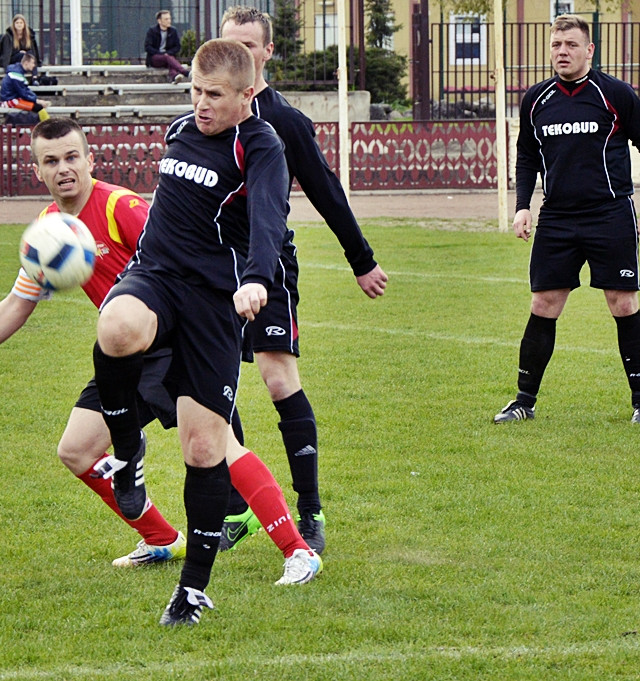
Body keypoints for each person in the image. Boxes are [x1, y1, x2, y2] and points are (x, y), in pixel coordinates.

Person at [0, 118, 320, 585]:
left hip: (176, 341)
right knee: (76, 450)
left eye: (72, 157)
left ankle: (299, 549)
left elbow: (181, 261)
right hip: (124, 356)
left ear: (91, 160)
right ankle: (162, 538)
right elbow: (15, 305)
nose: (64, 168)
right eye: (52, 161)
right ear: (38, 171)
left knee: (217, 448)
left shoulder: (120, 208)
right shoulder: (49, 232)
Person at [90, 38, 314, 626]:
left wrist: (258, 279)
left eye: (214, 95)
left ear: (246, 96)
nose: (201, 104)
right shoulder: (179, 131)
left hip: (215, 305)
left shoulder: (261, 144)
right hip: (157, 276)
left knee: (204, 449)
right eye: (195, 90)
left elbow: (270, 219)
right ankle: (128, 450)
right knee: (116, 326)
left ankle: (191, 592)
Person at [218, 6, 389, 554]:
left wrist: (360, 258)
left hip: (266, 268)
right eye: (229, 44)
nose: (239, 53)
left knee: (275, 378)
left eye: (249, 45)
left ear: (267, 52)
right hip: (209, 268)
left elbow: (325, 189)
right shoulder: (208, 113)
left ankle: (310, 510)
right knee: (206, 383)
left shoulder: (283, 121)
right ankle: (236, 510)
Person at [494, 14, 640, 426]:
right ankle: (523, 402)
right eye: (556, 45)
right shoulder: (536, 99)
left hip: (610, 214)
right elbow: (527, 155)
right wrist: (522, 205)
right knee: (543, 304)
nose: (562, 52)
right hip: (557, 218)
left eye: (571, 45)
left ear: (589, 50)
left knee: (622, 303)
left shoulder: (615, 94)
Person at [0, 51, 50, 122]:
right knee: (38, 108)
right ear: (26, 63)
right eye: (32, 63)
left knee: (37, 106)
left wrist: (36, 99)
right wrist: (36, 100)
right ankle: (49, 127)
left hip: (13, 98)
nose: (34, 65)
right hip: (10, 101)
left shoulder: (17, 72)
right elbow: (23, 93)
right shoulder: (16, 75)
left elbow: (25, 90)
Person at [144, 10, 189, 83]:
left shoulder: (173, 31)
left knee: (169, 59)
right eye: (166, 19)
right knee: (168, 58)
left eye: (169, 18)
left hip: (168, 57)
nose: (169, 21)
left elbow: (177, 47)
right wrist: (161, 53)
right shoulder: (152, 31)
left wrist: (168, 52)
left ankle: (174, 77)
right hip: (155, 58)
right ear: (159, 21)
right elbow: (148, 47)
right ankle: (184, 72)